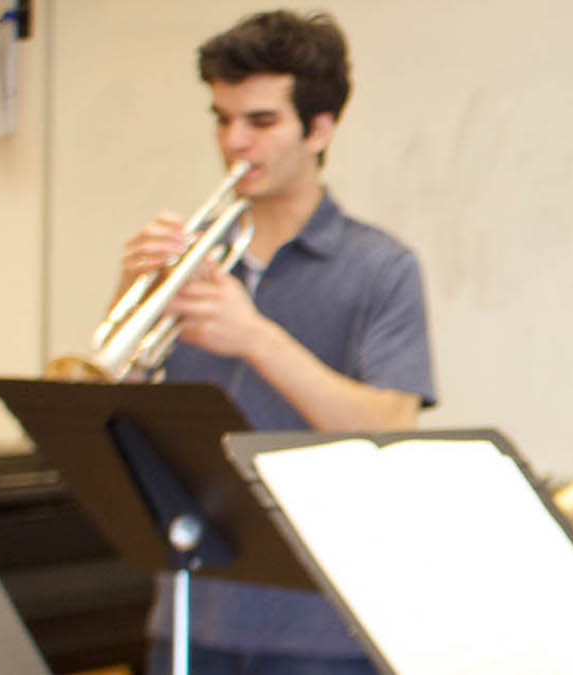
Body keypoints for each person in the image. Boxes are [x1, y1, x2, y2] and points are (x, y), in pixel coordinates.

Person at [120, 10, 436, 673]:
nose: (235, 142)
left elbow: (392, 427)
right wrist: (130, 296)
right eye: (222, 118)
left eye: (261, 122)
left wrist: (257, 338)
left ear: (320, 128)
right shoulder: (190, 264)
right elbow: (114, 417)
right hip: (187, 609)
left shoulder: (382, 267)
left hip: (322, 631)